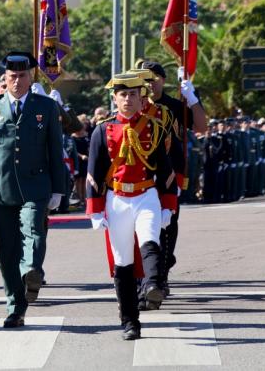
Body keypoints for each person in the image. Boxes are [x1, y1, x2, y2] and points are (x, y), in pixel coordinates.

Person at [0, 52, 65, 328]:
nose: (17, 81)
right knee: (6, 251)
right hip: (0, 188)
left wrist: (59, 189)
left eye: (22, 76)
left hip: (35, 185)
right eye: (12, 76)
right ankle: (15, 308)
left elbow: (55, 150)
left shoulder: (46, 107)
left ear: (31, 78)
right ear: (4, 79)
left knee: (33, 229)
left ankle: (32, 270)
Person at [86, 73, 176, 340]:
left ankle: (152, 285)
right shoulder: (102, 130)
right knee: (122, 262)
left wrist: (168, 204)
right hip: (117, 199)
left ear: (141, 98)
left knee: (150, 239)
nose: (128, 99)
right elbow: (93, 170)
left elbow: (166, 170)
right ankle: (130, 322)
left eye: (133, 94)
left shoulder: (155, 127)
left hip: (146, 193)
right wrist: (94, 209)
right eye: (123, 94)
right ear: (114, 98)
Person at [138, 60, 206, 298]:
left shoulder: (174, 106)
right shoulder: (134, 105)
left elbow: (201, 126)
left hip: (170, 173)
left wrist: (193, 98)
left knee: (167, 226)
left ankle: (161, 276)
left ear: (163, 80)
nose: (150, 83)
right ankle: (145, 276)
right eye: (145, 78)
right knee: (142, 229)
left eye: (154, 78)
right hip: (141, 173)